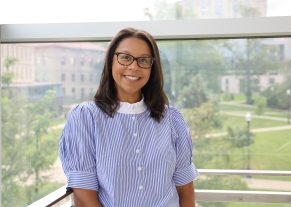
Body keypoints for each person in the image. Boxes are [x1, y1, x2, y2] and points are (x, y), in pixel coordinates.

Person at [59, 27, 199, 207]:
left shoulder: (172, 119)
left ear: (152, 67)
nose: (134, 66)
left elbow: (185, 193)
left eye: (143, 60)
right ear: (111, 61)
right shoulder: (85, 118)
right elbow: (85, 199)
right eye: (125, 57)